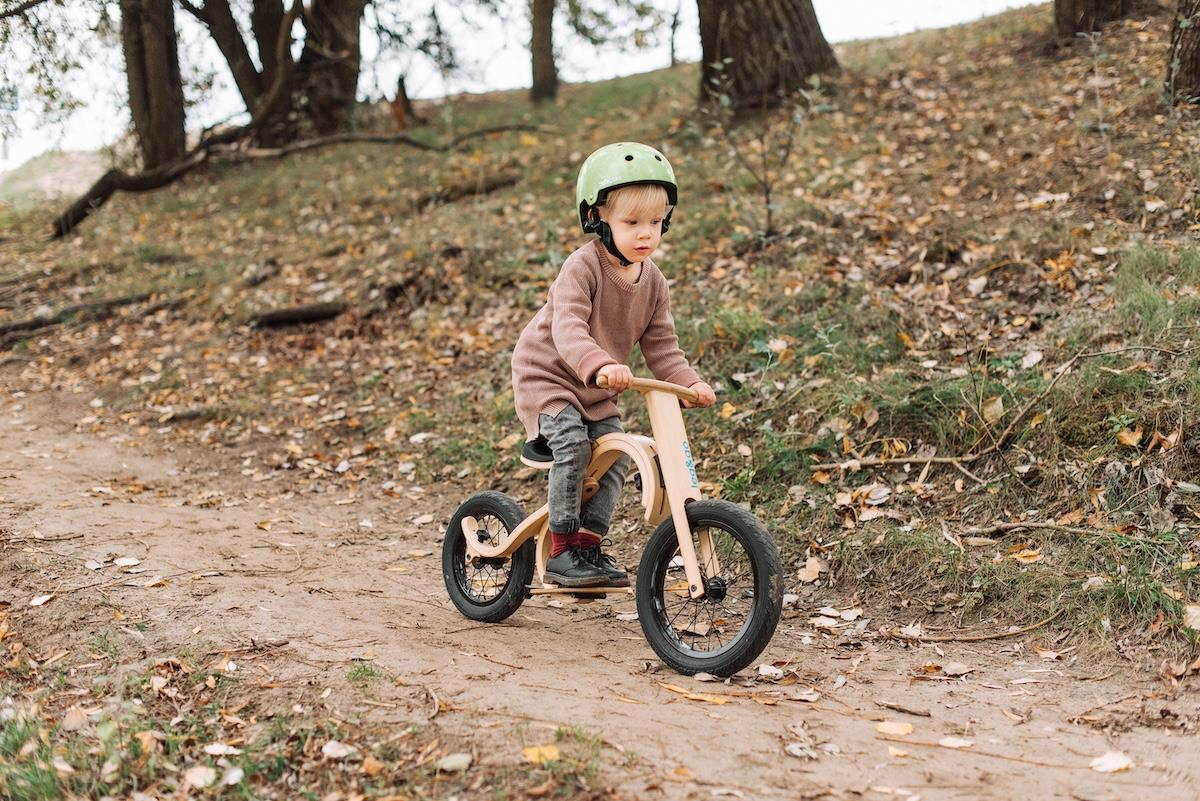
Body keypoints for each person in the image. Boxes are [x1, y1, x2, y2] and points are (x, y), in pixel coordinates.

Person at [510, 142, 716, 588]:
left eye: (656, 223)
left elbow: (663, 347)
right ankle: (563, 549)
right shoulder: (582, 267)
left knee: (618, 454)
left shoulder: (653, 282)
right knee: (573, 443)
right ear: (597, 217)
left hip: (598, 385)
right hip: (549, 375)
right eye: (632, 222)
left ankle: (588, 542)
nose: (646, 233)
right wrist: (601, 363)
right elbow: (568, 330)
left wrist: (689, 383)